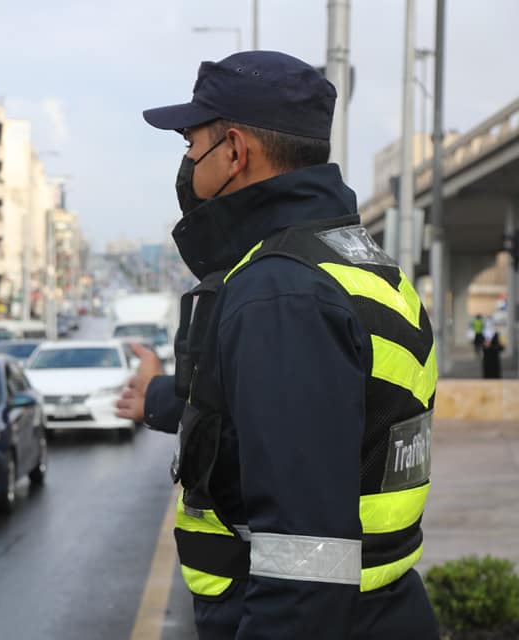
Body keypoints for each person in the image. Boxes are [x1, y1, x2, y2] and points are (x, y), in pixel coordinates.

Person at [118, 51, 439, 638]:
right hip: (381, 611)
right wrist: (163, 398)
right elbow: (319, 416)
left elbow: (305, 561)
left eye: (191, 142)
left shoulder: (282, 292)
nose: (188, 161)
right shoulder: (351, 261)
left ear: (235, 151)